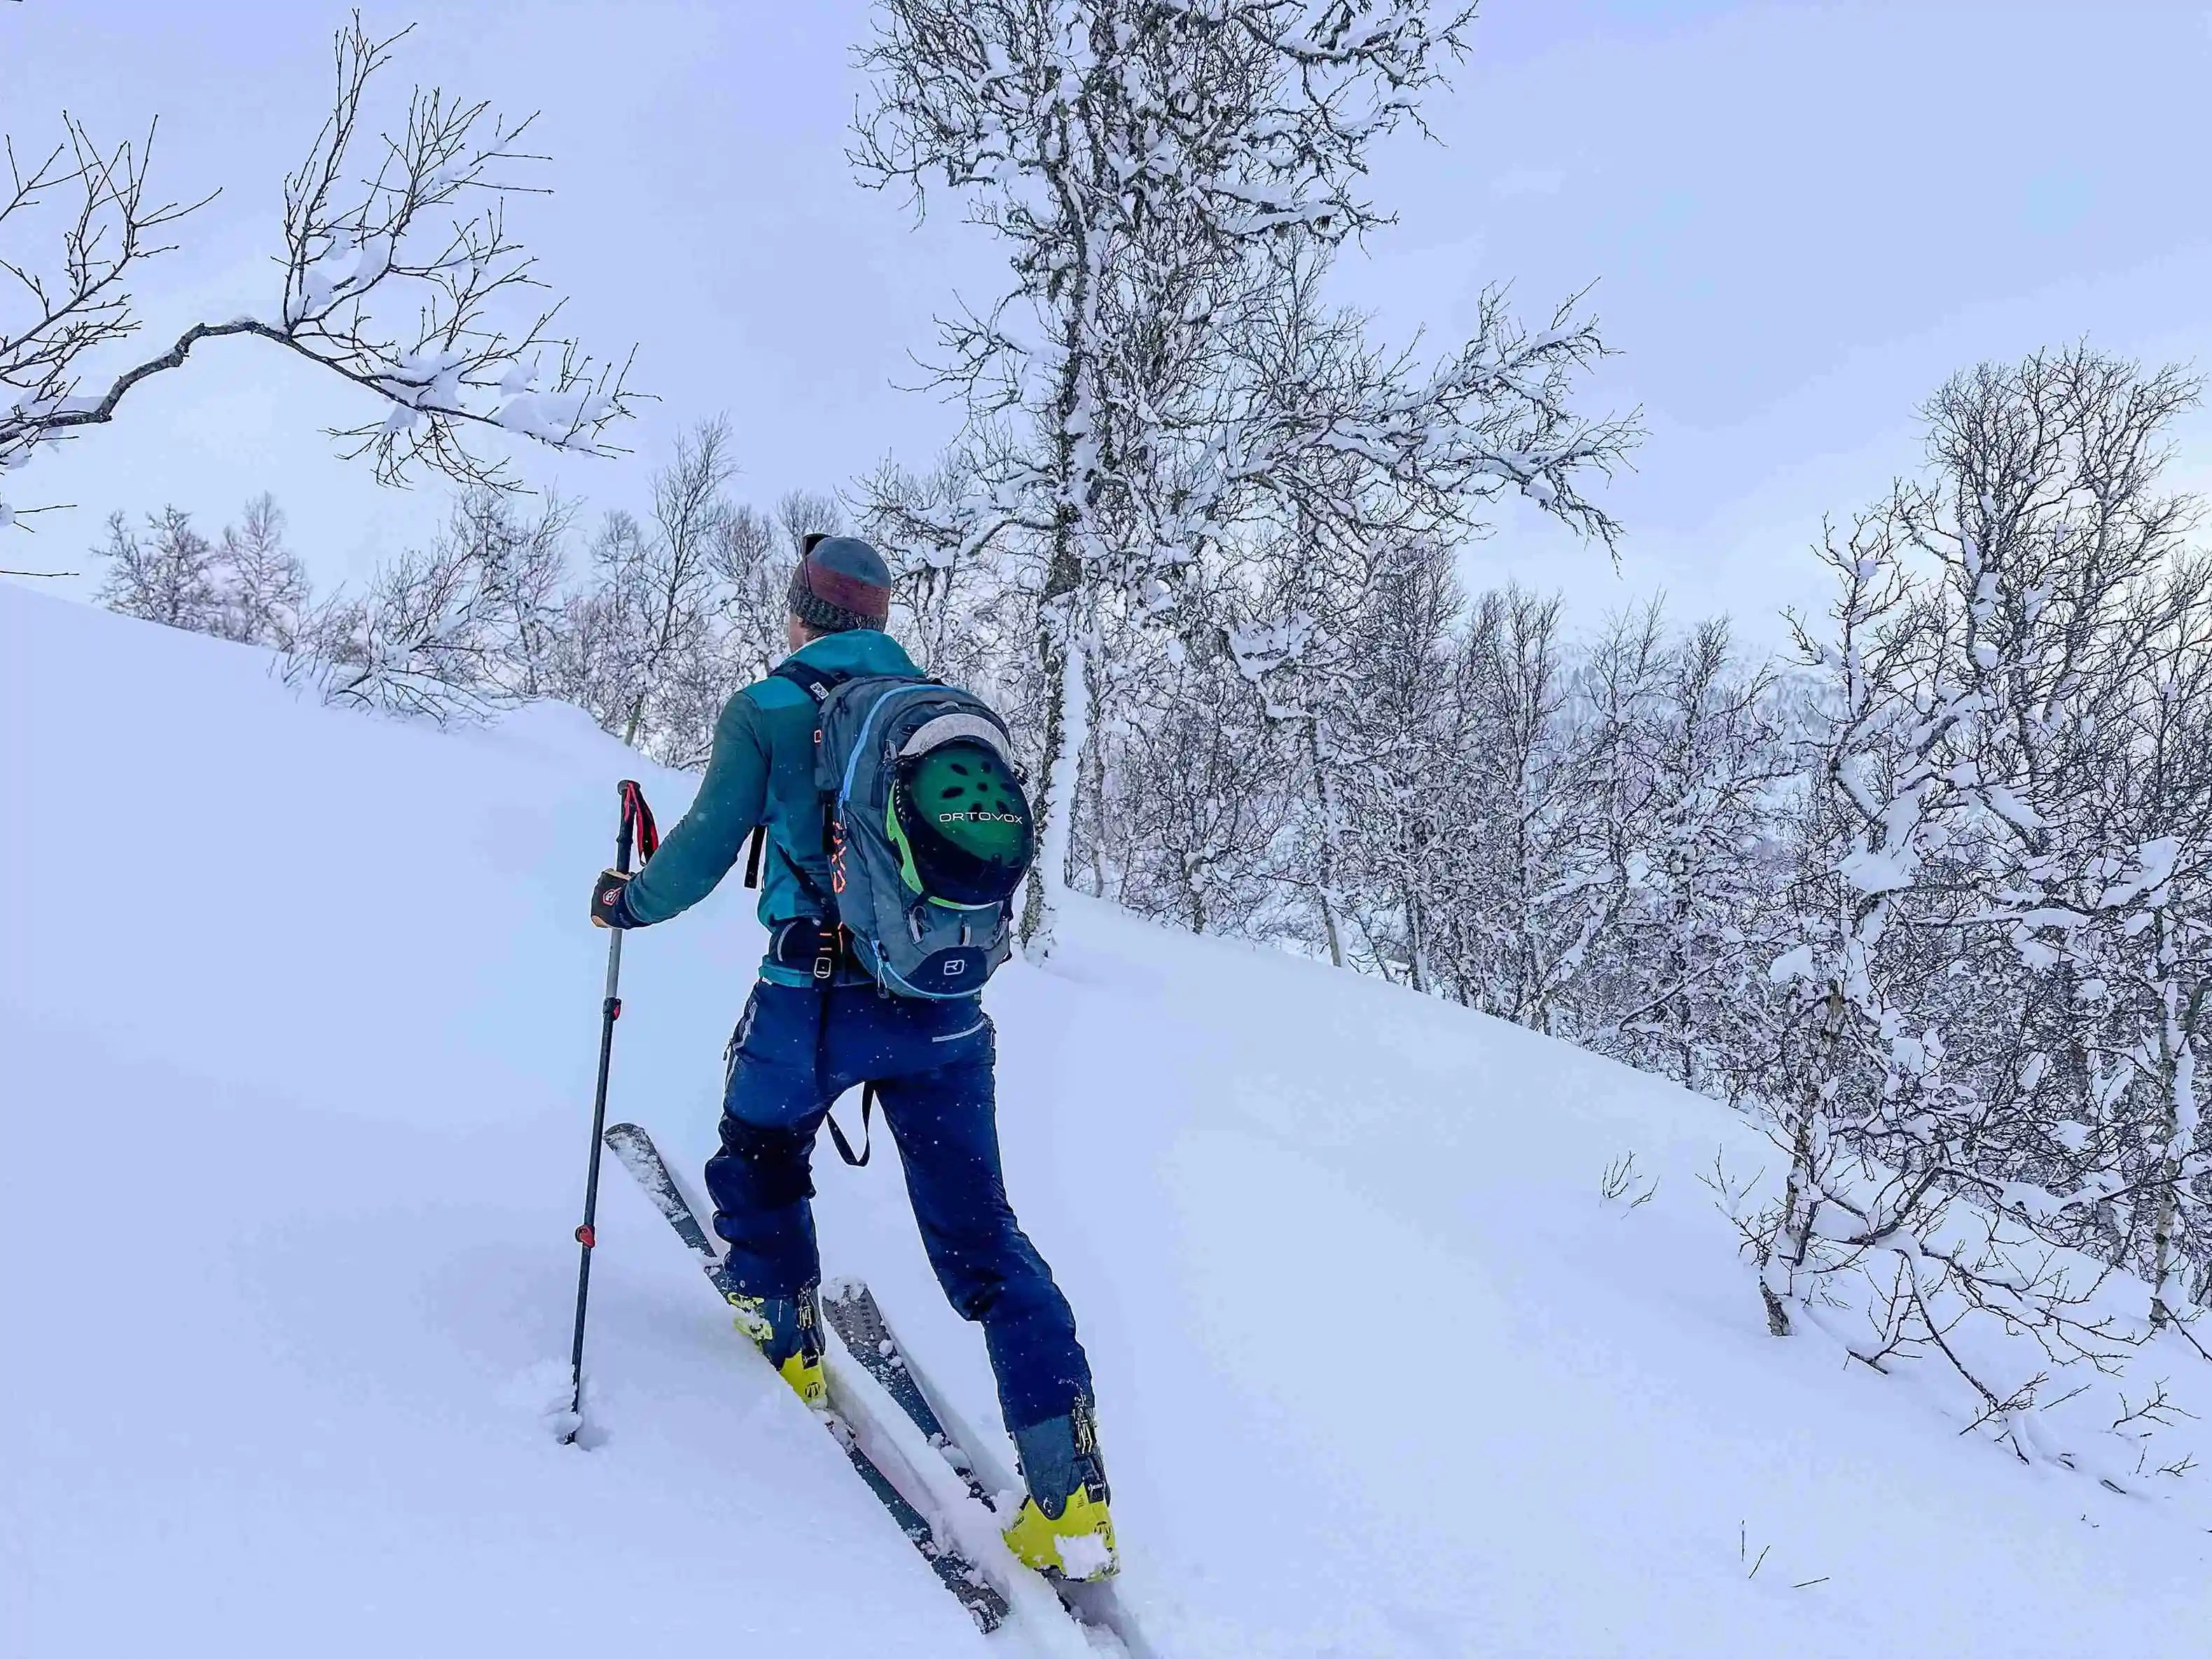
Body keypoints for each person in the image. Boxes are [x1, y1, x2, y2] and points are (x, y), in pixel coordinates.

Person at [587, 534, 1116, 1581]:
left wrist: (627, 902)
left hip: (815, 997)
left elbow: (698, 850)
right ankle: (1073, 1500)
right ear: (878, 615)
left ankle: (781, 1318)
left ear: (799, 609)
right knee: (985, 1243)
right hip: (947, 1014)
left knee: (759, 1147)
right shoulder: (944, 705)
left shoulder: (772, 709)